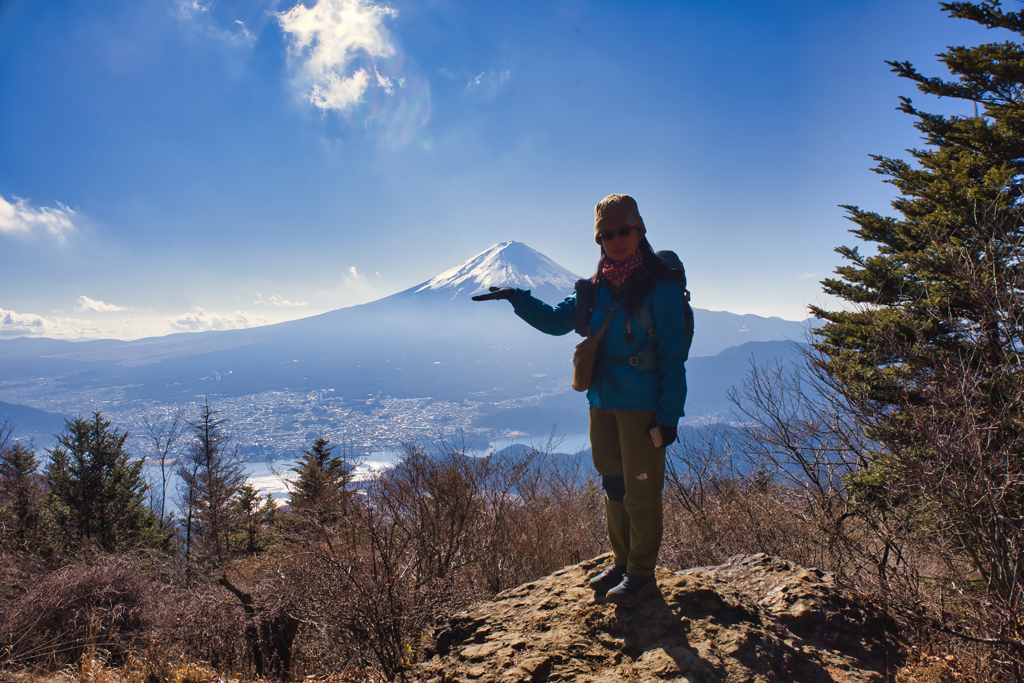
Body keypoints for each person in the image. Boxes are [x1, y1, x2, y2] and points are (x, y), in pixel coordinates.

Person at [472, 194, 693, 607]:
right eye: (606, 234)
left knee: (642, 492)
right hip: (601, 403)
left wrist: (668, 418)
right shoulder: (595, 290)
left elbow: (673, 360)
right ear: (599, 240)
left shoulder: (660, 290)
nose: (616, 239)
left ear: (639, 230)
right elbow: (557, 322)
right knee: (613, 486)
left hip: (641, 410)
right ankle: (623, 562)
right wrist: (519, 299)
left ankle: (642, 574)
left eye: (623, 230)